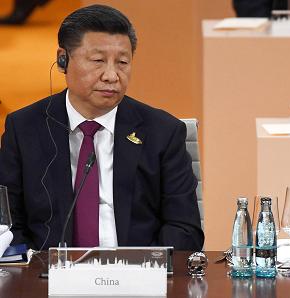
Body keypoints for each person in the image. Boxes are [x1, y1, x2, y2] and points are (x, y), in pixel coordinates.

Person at [0, 5, 204, 251]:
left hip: (138, 278)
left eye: (122, 62)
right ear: (62, 59)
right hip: (50, 280)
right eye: (98, 61)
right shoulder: (24, 129)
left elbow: (185, 229)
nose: (111, 75)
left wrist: (146, 270)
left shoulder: (163, 132)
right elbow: (8, 225)